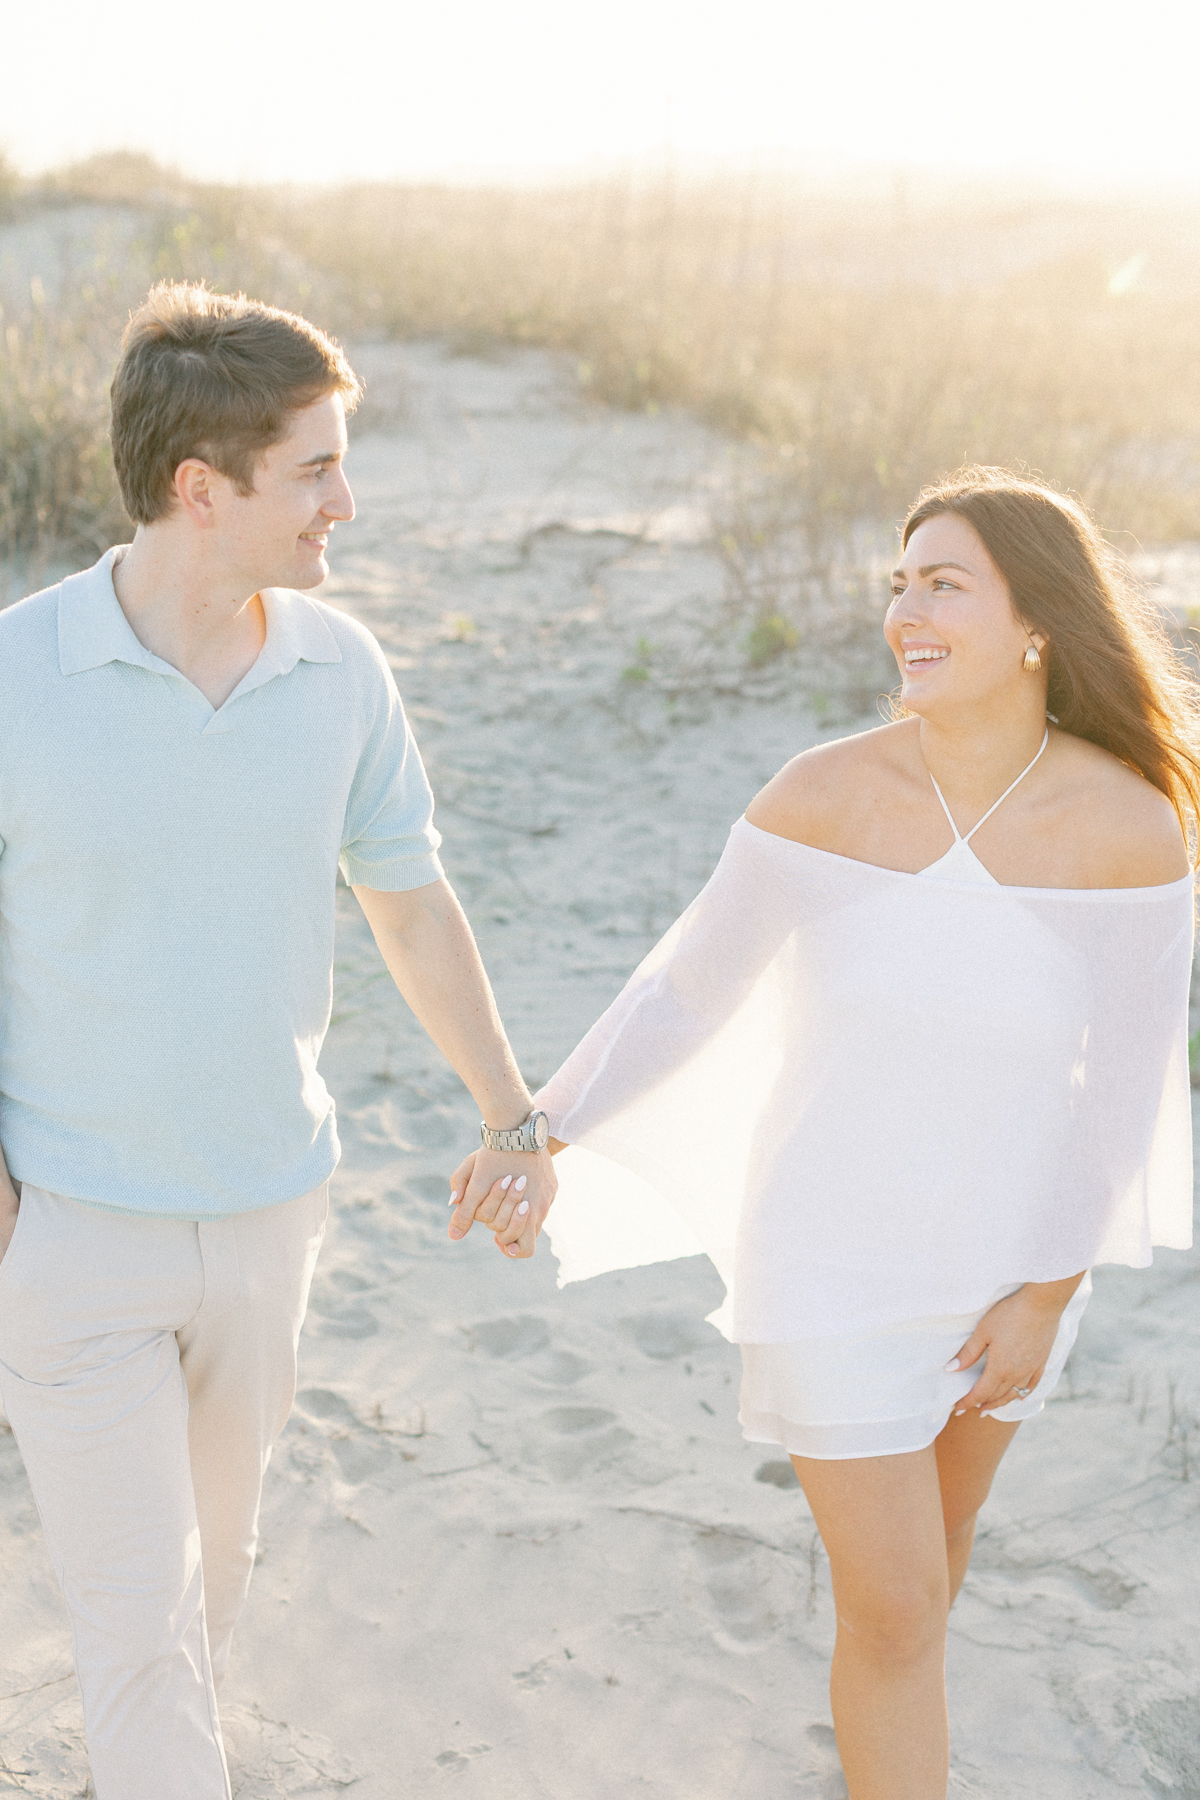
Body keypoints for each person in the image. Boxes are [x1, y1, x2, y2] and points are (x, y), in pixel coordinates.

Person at [455, 468, 1196, 1799]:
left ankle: (881, 1738)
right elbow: (680, 991)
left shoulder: (1129, 828)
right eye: (897, 585)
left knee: (933, 1564)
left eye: (942, 583)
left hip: (1012, 1276)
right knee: (902, 1603)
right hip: (829, 1261)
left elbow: (1127, 1090)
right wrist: (537, 1129)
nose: (905, 611)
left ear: (1039, 620)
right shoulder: (823, 795)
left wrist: (1049, 1289)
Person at [0, 282, 555, 1800]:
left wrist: (512, 1114)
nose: (346, 501)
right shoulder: (12, 677)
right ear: (203, 488)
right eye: (315, 468)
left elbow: (413, 905)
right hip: (73, 1236)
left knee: (208, 1588)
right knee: (142, 1631)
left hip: (269, 1215)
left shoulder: (341, 673)